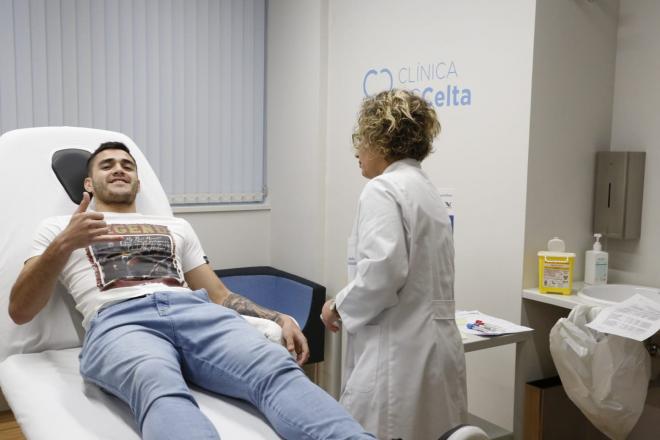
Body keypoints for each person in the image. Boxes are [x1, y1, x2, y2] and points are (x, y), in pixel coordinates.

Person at [9, 142, 375, 440]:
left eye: (127, 164)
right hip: (120, 321)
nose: (119, 168)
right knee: (157, 382)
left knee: (273, 367)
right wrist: (63, 245)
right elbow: (20, 311)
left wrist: (279, 318)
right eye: (106, 165)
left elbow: (218, 294)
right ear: (88, 183)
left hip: (196, 311)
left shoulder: (175, 226)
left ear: (137, 182)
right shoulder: (59, 228)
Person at [321, 89, 468, 439]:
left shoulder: (383, 189)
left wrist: (337, 306)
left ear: (382, 140)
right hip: (436, 354)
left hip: (400, 358)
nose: (357, 152)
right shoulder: (426, 190)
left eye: (362, 140)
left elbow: (383, 272)